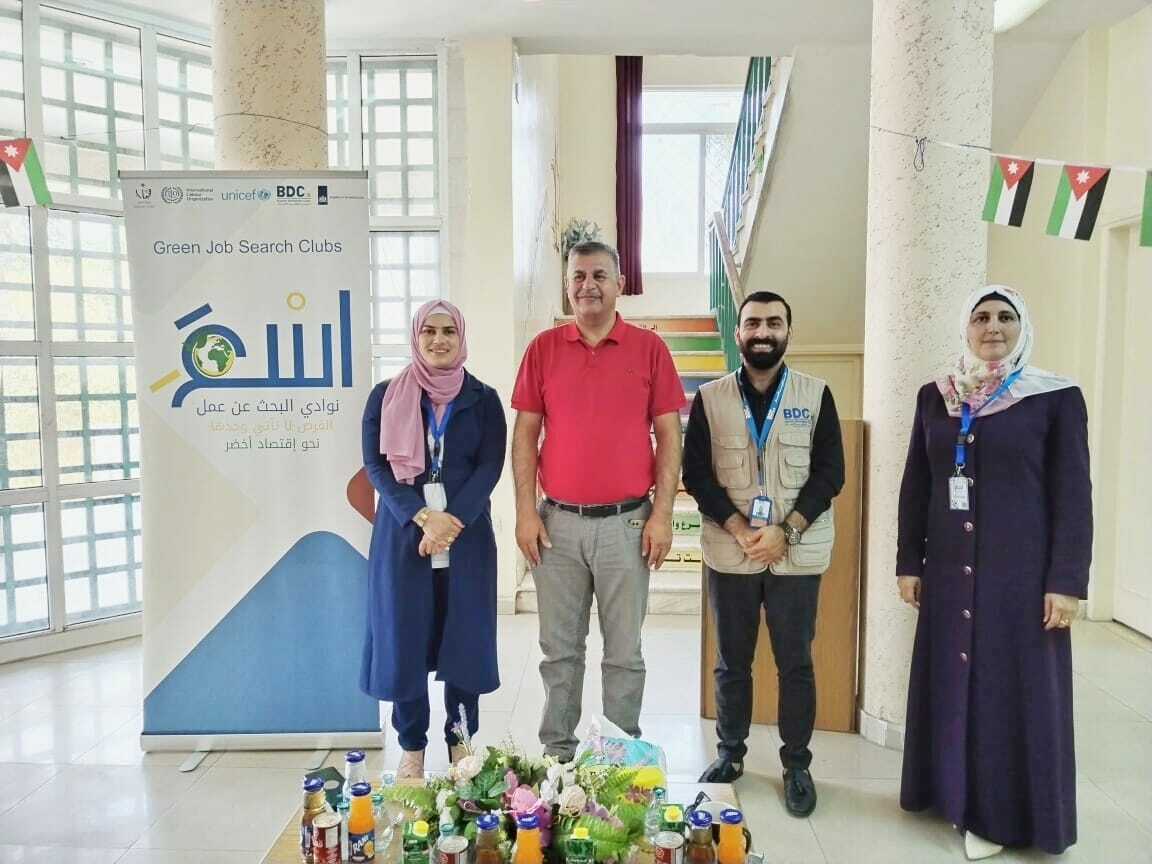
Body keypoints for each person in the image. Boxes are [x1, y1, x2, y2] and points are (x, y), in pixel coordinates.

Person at [896, 285, 1090, 859]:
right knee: (952, 683)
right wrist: (909, 561)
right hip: (948, 570)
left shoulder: (1054, 397)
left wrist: (1066, 582)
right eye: (981, 317)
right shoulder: (937, 397)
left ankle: (999, 816)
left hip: (1020, 578)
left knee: (1008, 691)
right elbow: (917, 485)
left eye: (1006, 317)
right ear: (966, 327)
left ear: (1022, 326)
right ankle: (948, 795)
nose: (993, 327)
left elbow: (1073, 495)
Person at [511, 240, 685, 761]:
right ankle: (557, 757)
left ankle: (618, 758)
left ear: (620, 284)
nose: (588, 285)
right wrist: (525, 511)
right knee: (559, 652)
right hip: (557, 527)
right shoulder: (543, 349)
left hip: (627, 525)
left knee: (624, 652)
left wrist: (662, 513)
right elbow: (525, 435)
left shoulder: (649, 349)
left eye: (599, 275)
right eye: (579, 276)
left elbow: (669, 435)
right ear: (567, 285)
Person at [683, 290, 844, 817]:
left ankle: (796, 764)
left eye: (774, 323)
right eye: (753, 323)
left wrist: (786, 531)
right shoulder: (710, 398)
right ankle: (730, 754)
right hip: (731, 551)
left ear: (788, 332)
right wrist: (737, 526)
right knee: (732, 660)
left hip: (794, 553)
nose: (762, 332)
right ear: (738, 333)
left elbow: (830, 474)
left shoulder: (816, 395)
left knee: (795, 661)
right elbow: (696, 474)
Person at [360, 299, 507, 779]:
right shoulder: (385, 396)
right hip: (404, 536)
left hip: (467, 540)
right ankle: (412, 747)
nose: (439, 340)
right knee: (405, 642)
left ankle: (461, 742)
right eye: (429, 331)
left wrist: (451, 522)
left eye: (448, 331)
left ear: (461, 337)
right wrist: (423, 517)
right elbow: (377, 467)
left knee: (464, 641)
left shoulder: (483, 398)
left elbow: (489, 466)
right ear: (416, 337)